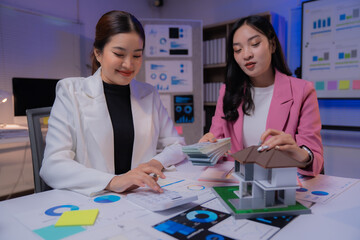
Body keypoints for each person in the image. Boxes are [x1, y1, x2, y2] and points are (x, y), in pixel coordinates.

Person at [40, 10, 186, 196]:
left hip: (142, 197)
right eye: (119, 54)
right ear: (98, 53)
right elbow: (52, 165)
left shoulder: (149, 94)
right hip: (93, 201)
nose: (129, 64)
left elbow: (177, 145)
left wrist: (155, 163)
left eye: (137, 55)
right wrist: (113, 181)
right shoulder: (70, 92)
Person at [199, 15, 323, 176]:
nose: (246, 55)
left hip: (281, 187)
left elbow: (315, 156)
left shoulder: (303, 91)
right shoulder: (228, 91)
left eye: (255, 44)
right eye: (238, 50)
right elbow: (217, 140)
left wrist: (300, 154)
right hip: (237, 184)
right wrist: (208, 146)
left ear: (272, 45)